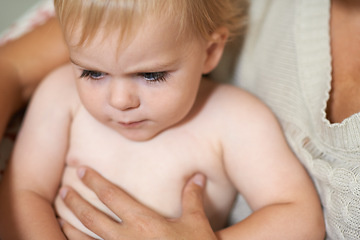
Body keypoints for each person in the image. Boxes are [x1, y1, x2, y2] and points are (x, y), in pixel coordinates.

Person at [0, 0, 325, 240]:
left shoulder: (235, 119)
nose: (119, 101)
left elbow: (299, 216)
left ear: (210, 52)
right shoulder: (60, 94)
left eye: (151, 75)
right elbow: (23, 192)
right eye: (92, 72)